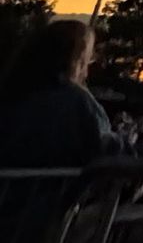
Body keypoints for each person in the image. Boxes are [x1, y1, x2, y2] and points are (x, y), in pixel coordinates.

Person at [0, 18, 111, 169]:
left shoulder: (14, 91)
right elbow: (107, 147)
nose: (87, 70)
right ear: (77, 61)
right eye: (89, 59)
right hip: (43, 191)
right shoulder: (77, 103)